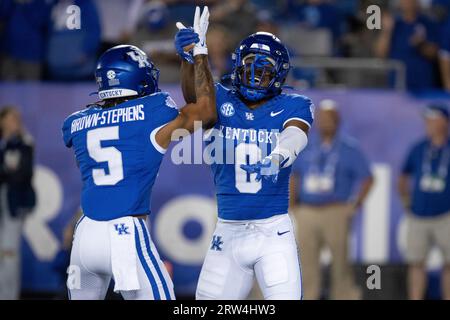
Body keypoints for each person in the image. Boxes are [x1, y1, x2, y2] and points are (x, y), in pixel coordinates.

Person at [62, 6, 216, 300]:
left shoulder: (76, 122)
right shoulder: (153, 110)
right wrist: (196, 56)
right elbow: (207, 112)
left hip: (85, 234)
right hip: (124, 233)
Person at [175, 28, 314, 299]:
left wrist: (277, 157)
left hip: (273, 230)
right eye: (250, 64)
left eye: (264, 68)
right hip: (228, 230)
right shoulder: (220, 98)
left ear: (279, 73)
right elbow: (194, 97)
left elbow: (295, 134)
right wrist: (190, 58)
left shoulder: (294, 104)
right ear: (238, 65)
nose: (255, 74)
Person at [290, 99, 374, 300]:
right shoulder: (307, 146)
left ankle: (343, 295)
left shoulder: (349, 148)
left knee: (340, 262)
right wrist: (293, 204)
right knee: (307, 262)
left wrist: (354, 204)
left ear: (337, 120)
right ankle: (308, 296)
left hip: (336, 209)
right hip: (308, 210)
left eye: (329, 118)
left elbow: (368, 178)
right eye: (321, 118)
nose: (325, 122)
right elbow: (295, 175)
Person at [399, 103, 450, 300]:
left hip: (446, 214)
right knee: (416, 263)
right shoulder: (419, 148)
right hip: (419, 215)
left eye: (432, 119)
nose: (427, 123)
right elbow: (403, 176)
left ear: (443, 121)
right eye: (426, 120)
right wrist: (406, 201)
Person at [0, 106, 36, 300]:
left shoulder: (24, 142)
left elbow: (22, 174)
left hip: (14, 203)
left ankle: (9, 296)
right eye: (12, 117)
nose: (16, 121)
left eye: (18, 118)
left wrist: (6, 172)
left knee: (8, 251)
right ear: (2, 120)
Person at [375, 0, 439, 91]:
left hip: (424, 88)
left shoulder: (428, 24)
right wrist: (386, 31)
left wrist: (421, 45)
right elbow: (380, 54)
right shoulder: (394, 25)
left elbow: (435, 54)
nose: (408, 2)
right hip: (398, 87)